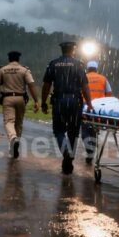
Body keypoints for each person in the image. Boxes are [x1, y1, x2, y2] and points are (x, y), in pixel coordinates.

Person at [41, 41, 94, 174]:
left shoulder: (53, 64)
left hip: (59, 100)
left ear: (62, 50)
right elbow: (85, 86)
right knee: (73, 132)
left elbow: (46, 85)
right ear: (73, 50)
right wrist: (89, 103)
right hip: (75, 101)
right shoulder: (79, 65)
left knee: (59, 130)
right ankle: (69, 157)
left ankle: (65, 151)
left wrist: (43, 102)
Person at [0, 51, 40, 159]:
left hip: (7, 98)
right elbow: (31, 85)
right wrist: (36, 101)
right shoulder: (24, 70)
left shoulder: (2, 70)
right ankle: (14, 146)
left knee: (9, 121)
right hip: (20, 98)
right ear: (18, 59)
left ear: (9, 59)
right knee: (18, 123)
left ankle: (13, 138)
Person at [80, 61, 112, 164]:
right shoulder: (103, 79)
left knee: (85, 131)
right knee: (94, 129)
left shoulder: (83, 77)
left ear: (87, 68)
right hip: (98, 109)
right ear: (96, 69)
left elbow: (78, 91)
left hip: (85, 108)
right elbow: (109, 93)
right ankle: (92, 147)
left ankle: (90, 150)